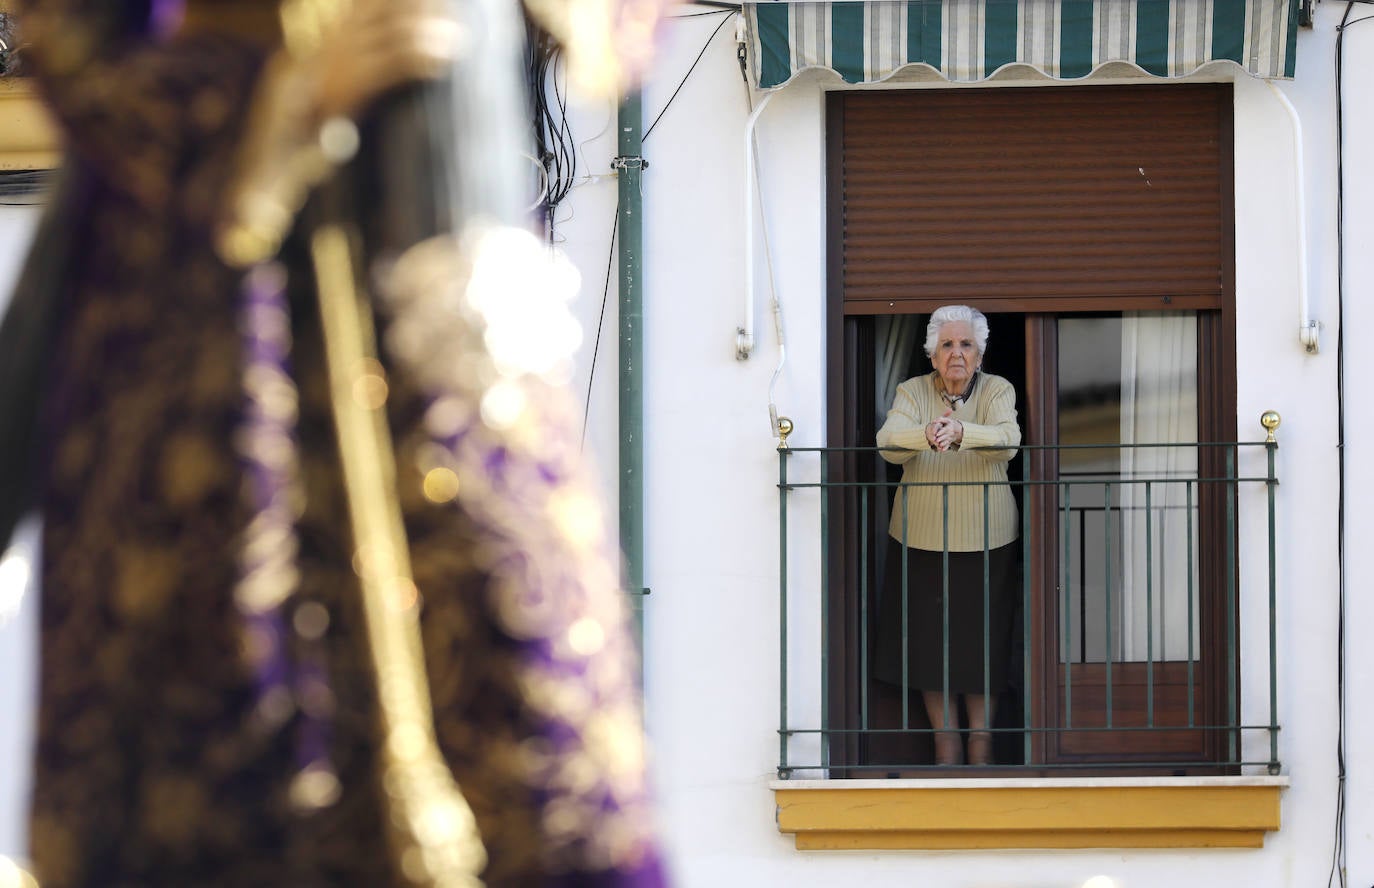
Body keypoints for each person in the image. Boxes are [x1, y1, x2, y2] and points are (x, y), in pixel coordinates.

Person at [0, 0, 667, 885]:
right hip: (213, 327)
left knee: (540, 764)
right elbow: (79, 44)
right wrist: (282, 102)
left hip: (458, 319)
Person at [872, 305, 1020, 766]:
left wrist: (961, 431)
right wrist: (927, 433)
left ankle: (981, 741)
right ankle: (946, 740)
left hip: (988, 537)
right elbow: (888, 443)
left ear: (980, 353)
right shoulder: (912, 391)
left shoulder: (997, 388)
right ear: (932, 354)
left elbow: (1008, 439)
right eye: (947, 345)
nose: (956, 353)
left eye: (966, 344)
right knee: (928, 643)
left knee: (983, 643)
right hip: (920, 536)